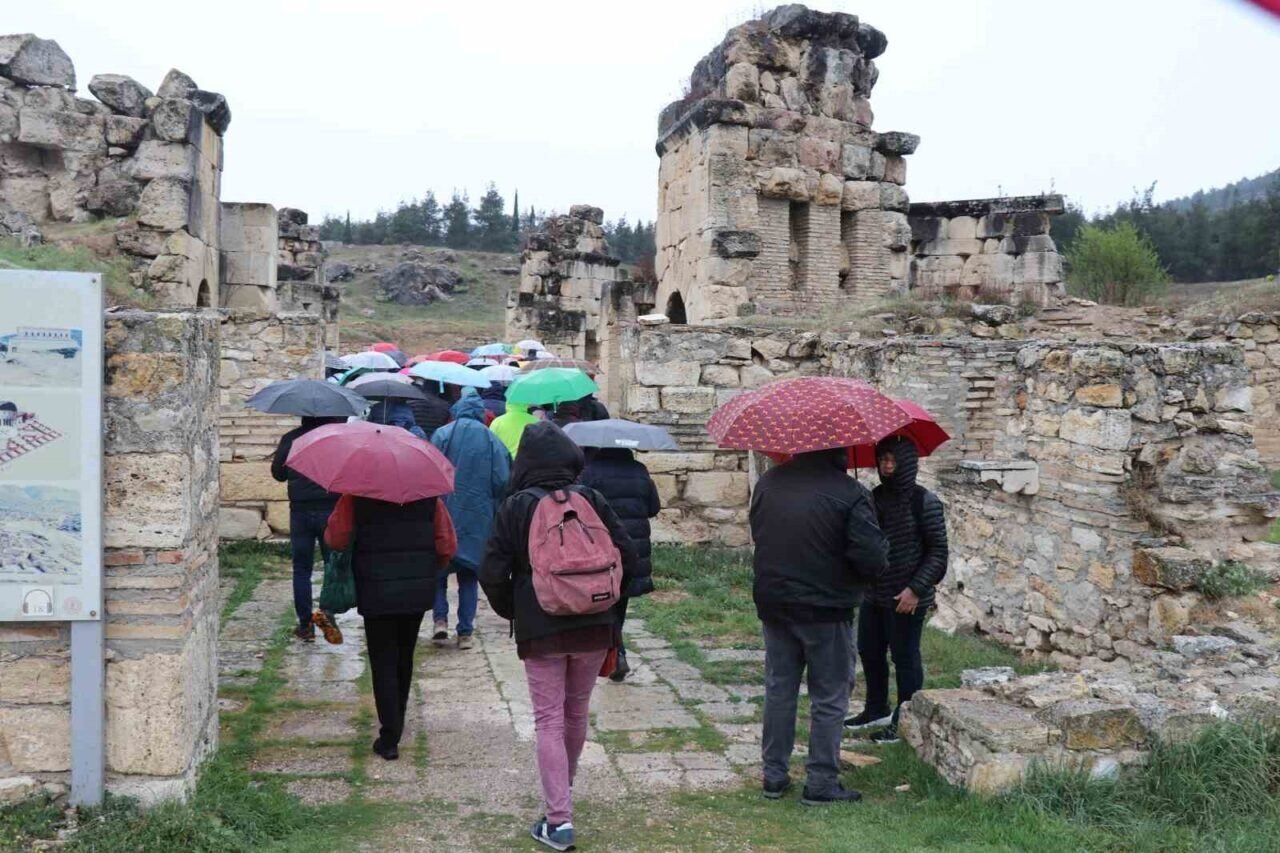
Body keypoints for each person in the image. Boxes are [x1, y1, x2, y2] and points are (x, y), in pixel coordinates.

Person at [479, 422, 637, 852]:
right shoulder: (592, 499)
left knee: (548, 718)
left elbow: (492, 571)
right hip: (595, 623)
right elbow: (630, 557)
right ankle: (560, 797)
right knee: (576, 713)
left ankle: (559, 818)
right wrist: (608, 607)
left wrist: (517, 610)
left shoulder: (517, 507)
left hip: (541, 627)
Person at [750, 447, 888, 806]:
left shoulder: (768, 483)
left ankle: (774, 774)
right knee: (829, 696)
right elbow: (872, 559)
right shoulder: (850, 492)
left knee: (780, 689)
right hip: (827, 608)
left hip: (776, 601)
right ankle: (822, 781)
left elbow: (759, 533)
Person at [324, 491, 456, 761]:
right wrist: (428, 569)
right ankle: (397, 722)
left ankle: (390, 735)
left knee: (383, 659)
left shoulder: (355, 497)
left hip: (375, 588)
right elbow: (446, 545)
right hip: (415, 591)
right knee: (404, 656)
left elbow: (336, 538)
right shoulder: (430, 499)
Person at [846, 436, 948, 744]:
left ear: (907, 463)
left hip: (908, 597)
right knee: (869, 650)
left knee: (904, 658)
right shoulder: (874, 497)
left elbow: (938, 553)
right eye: (883, 460)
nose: (887, 466)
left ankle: (906, 719)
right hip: (875, 592)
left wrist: (915, 589)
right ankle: (876, 707)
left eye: (893, 461)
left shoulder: (924, 501)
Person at [430, 395, 511, 649]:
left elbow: (430, 471)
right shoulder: (491, 440)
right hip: (478, 516)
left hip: (444, 512)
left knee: (438, 571)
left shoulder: (442, 434)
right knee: (469, 575)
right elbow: (502, 480)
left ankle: (440, 620)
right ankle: (465, 632)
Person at [578, 447, 658, 681]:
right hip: (634, 549)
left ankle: (617, 654)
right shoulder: (640, 471)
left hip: (603, 546)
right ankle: (614, 653)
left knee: (606, 603)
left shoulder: (591, 473)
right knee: (620, 600)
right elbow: (654, 507)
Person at [271, 416, 345, 642]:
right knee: (331, 564)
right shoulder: (336, 440)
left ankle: (305, 625)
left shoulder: (291, 439)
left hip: (300, 511)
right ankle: (326, 612)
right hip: (329, 509)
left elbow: (278, 474)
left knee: (301, 568)